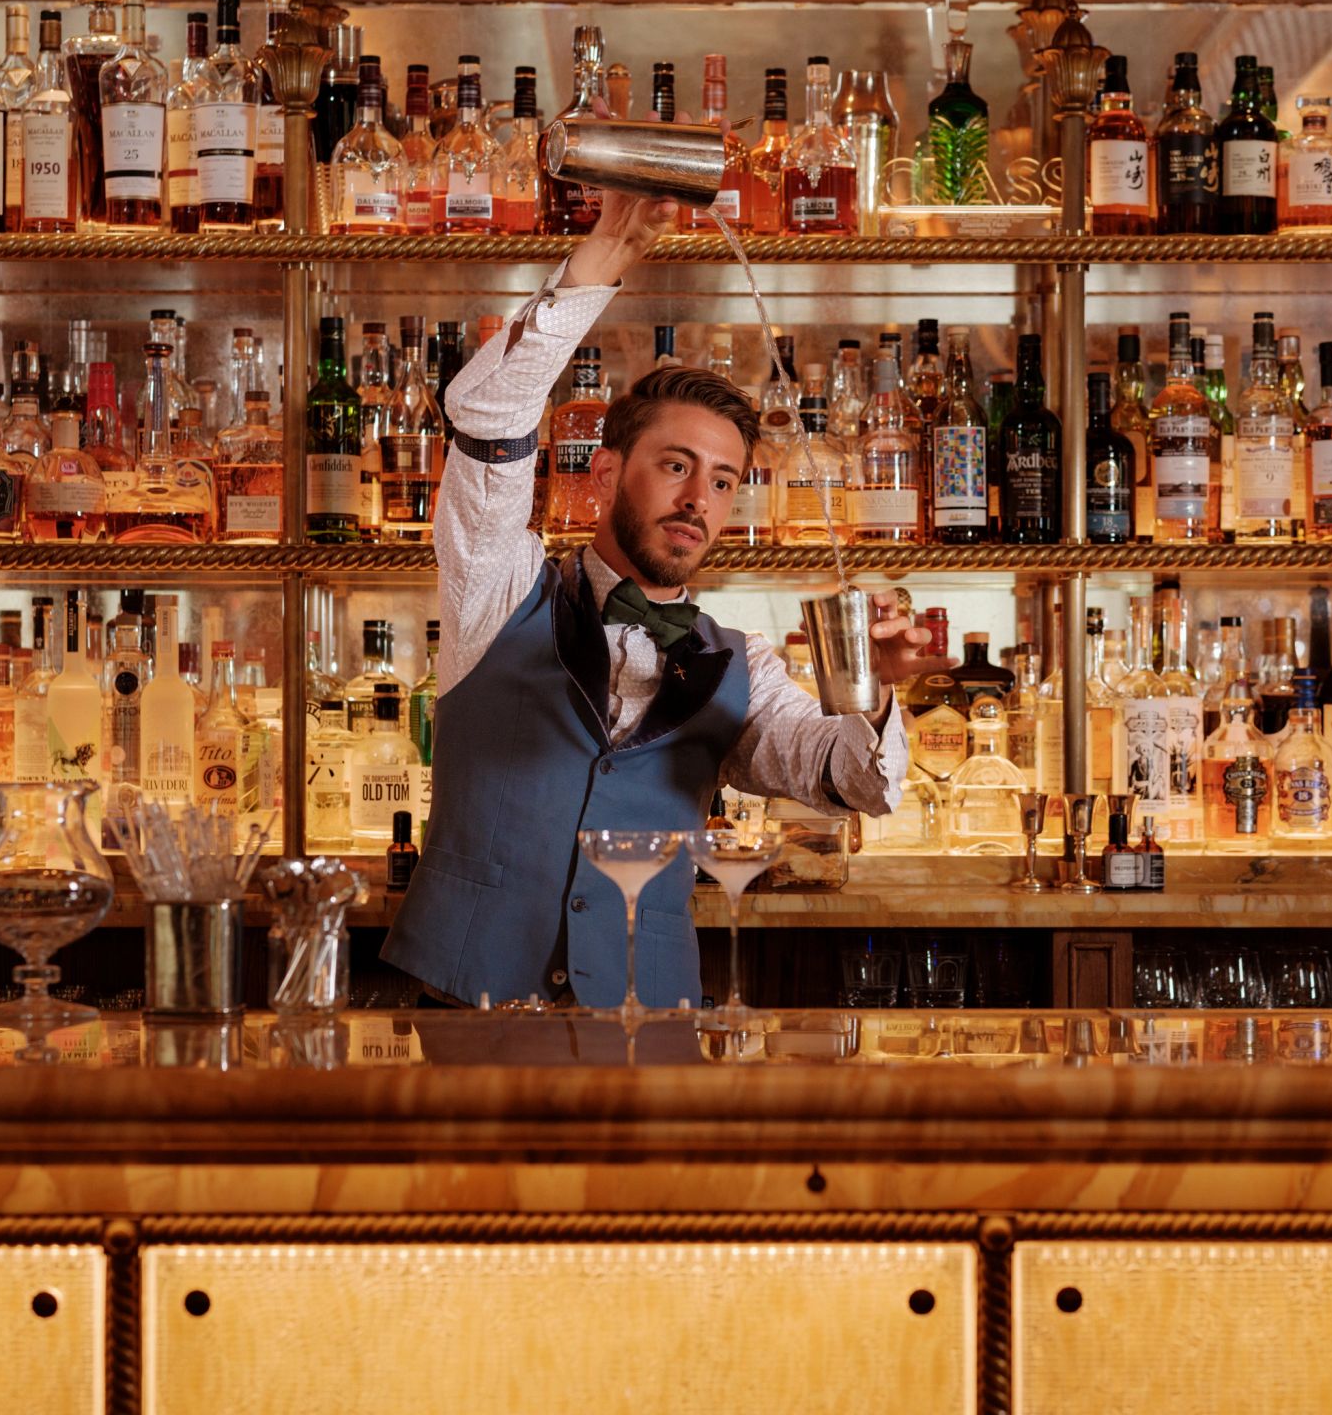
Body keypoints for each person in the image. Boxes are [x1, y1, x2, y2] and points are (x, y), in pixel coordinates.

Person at [381, 187, 950, 1009]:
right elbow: (487, 413)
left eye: (722, 482)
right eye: (676, 465)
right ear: (607, 473)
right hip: (468, 1016)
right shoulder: (498, 587)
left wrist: (871, 685)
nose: (698, 500)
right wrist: (600, 262)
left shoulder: (738, 661)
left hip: (650, 1023)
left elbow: (859, 783)